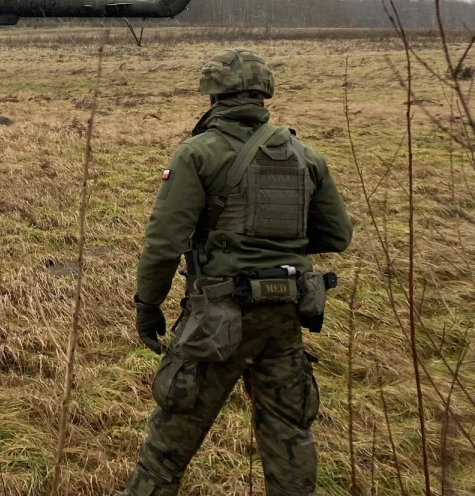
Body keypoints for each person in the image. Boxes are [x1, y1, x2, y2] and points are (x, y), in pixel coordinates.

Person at [124, 49, 352, 496]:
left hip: (218, 320)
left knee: (167, 448)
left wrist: (147, 305)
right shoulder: (305, 156)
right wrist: (276, 244)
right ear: (264, 94)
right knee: (290, 439)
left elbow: (164, 244)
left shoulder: (196, 153)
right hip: (285, 314)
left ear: (212, 94)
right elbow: (338, 235)